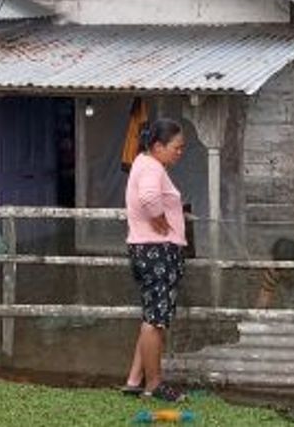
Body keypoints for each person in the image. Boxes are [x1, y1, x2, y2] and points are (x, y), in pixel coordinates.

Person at [122, 118, 187, 403]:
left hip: (145, 248)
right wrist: (160, 218)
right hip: (156, 250)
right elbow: (149, 198)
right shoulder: (151, 167)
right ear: (158, 146)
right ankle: (154, 384)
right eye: (176, 147)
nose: (179, 152)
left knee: (152, 314)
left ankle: (135, 379)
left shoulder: (142, 162)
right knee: (155, 321)